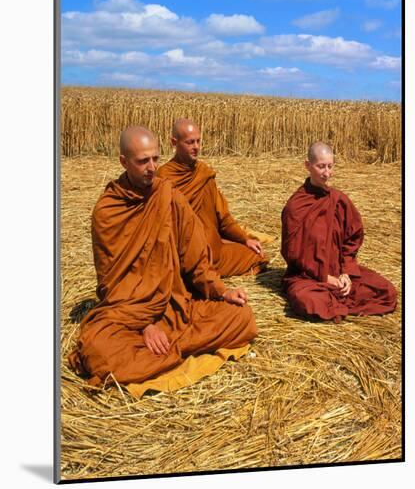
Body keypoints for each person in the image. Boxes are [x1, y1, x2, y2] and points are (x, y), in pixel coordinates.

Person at [68, 126, 257, 387]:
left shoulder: (168, 196)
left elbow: (196, 261)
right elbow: (110, 284)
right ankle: (174, 348)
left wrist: (221, 290)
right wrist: (145, 325)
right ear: (124, 161)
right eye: (143, 161)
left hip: (174, 306)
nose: (152, 167)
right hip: (128, 313)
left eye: (156, 158)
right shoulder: (108, 210)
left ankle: (165, 352)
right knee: (99, 352)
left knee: (241, 316)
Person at [280, 141, 397, 323]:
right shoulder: (296, 206)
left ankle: (336, 300)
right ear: (307, 165)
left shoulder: (339, 200)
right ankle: (332, 301)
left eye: (330, 166)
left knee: (386, 291)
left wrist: (346, 273)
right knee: (310, 302)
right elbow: (292, 254)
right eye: (321, 167)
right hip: (307, 278)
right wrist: (325, 277)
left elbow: (351, 240)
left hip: (338, 270)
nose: (327, 173)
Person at [157, 118, 268, 277]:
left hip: (213, 251)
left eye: (198, 141)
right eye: (190, 142)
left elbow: (223, 217)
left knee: (259, 256)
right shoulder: (163, 178)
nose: (196, 147)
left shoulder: (204, 174)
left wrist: (245, 239)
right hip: (181, 255)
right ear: (174, 143)